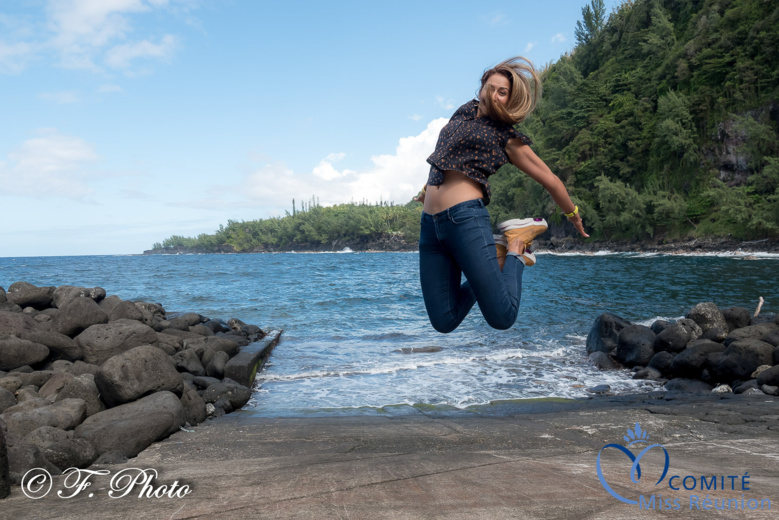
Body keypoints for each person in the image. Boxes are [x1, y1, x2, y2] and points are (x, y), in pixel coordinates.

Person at [416, 57, 588, 333]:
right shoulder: (464, 112)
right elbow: (447, 154)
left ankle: (516, 247)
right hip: (430, 226)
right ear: (482, 87)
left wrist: (573, 214)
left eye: (502, 92)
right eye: (489, 87)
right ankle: (498, 256)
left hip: (465, 220)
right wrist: (426, 190)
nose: (492, 95)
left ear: (510, 100)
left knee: (502, 316)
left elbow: (552, 180)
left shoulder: (505, 137)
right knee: (444, 320)